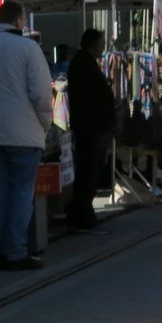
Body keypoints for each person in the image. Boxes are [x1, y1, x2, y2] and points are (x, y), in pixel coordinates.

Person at [0, 0, 54, 271]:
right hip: (25, 136)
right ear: (19, 20)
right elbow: (41, 95)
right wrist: (44, 124)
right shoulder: (29, 48)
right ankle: (15, 251)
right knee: (20, 194)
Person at [66, 28, 117, 233]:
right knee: (88, 170)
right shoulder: (82, 64)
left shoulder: (85, 63)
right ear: (93, 44)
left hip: (94, 127)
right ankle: (82, 214)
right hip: (91, 128)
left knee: (91, 170)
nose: (103, 47)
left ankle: (82, 212)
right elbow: (89, 98)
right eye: (101, 43)